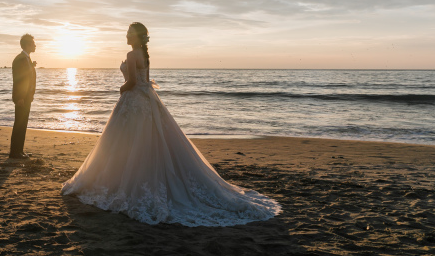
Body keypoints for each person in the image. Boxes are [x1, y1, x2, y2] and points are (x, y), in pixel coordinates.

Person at [61, 22, 281, 226]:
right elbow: (145, 80)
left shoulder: (131, 54)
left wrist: (121, 89)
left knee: (125, 143)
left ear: (136, 37)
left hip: (134, 101)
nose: (126, 36)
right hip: (147, 101)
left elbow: (133, 82)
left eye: (130, 33)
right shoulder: (144, 55)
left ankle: (120, 183)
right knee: (145, 143)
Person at [9, 34, 37, 159]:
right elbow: (19, 79)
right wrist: (19, 97)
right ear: (27, 45)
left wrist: (32, 66)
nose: (35, 45)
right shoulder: (20, 59)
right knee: (19, 124)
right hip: (22, 97)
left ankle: (19, 150)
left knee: (22, 123)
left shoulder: (26, 59)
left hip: (26, 97)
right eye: (33, 43)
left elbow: (26, 74)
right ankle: (15, 152)